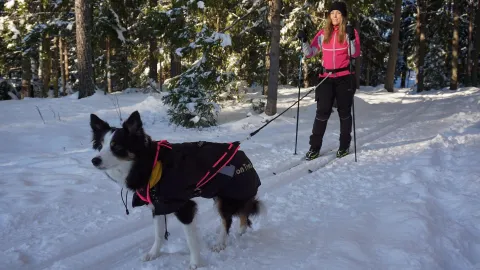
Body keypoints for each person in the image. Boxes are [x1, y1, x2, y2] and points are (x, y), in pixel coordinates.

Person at [297, 1, 361, 160]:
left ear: (343, 16)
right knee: (321, 112)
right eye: (332, 13)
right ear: (329, 16)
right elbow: (310, 53)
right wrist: (304, 41)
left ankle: (344, 145)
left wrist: (352, 37)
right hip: (325, 78)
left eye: (338, 13)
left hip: (344, 78)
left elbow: (354, 54)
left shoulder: (348, 32)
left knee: (344, 112)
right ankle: (314, 147)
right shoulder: (322, 34)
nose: (334, 16)